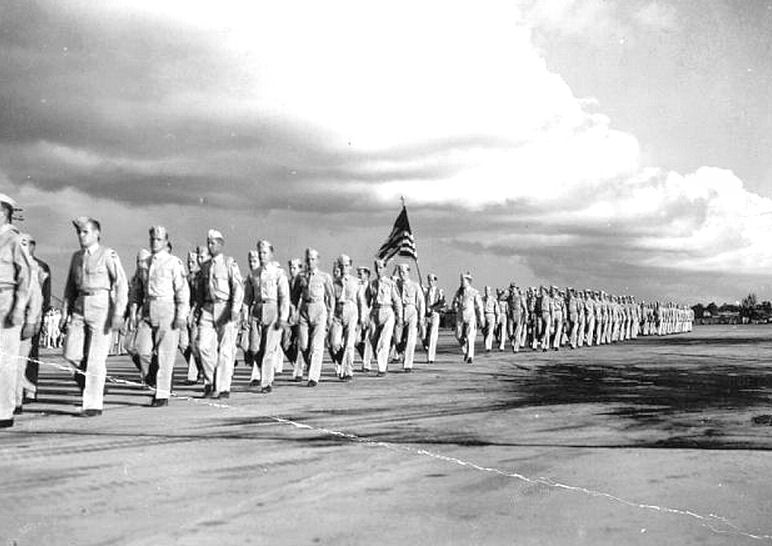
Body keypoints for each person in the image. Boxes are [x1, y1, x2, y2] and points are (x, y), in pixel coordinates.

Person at [61, 216, 128, 417]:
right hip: (80, 305)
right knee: (70, 354)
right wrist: (65, 312)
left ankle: (92, 405)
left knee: (95, 359)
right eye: (79, 232)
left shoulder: (108, 254)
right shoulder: (76, 257)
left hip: (102, 306)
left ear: (97, 233)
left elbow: (121, 284)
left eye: (85, 232)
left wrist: (118, 312)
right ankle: (94, 384)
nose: (81, 236)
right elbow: (69, 287)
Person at [131, 226, 189, 407]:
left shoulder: (173, 263)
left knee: (166, 354)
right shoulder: (145, 263)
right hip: (149, 307)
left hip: (167, 307)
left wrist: (181, 314)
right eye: (152, 239)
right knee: (141, 348)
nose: (154, 242)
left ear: (165, 242)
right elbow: (137, 289)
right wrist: (134, 310)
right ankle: (153, 376)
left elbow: (182, 291)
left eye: (158, 240)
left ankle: (162, 394)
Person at [195, 229, 243, 399]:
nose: (210, 246)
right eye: (208, 242)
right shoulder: (205, 266)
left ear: (221, 244)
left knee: (225, 350)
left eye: (213, 242)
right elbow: (200, 290)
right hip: (208, 308)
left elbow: (238, 287)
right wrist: (197, 309)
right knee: (203, 346)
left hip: (225, 307)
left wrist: (235, 310)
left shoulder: (229, 263)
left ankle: (222, 387)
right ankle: (210, 381)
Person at [242, 241, 289, 393]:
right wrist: (245, 315)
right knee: (255, 348)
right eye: (260, 252)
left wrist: (283, 317)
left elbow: (284, 297)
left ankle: (266, 382)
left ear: (271, 254)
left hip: (272, 308)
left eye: (265, 253)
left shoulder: (278, 273)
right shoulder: (253, 274)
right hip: (257, 309)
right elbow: (247, 298)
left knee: (269, 348)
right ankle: (263, 372)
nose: (262, 255)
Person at [297, 248, 334, 387]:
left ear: (317, 260)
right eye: (308, 259)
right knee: (304, 345)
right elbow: (295, 296)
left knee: (317, 345)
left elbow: (331, 296)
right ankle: (309, 364)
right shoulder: (301, 277)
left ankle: (313, 377)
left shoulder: (324, 277)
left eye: (313, 259)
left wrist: (330, 314)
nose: (310, 262)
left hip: (319, 308)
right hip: (305, 309)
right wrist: (294, 310)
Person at [15, 233, 43, 413]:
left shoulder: (33, 269)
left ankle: (16, 400)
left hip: (23, 321)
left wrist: (33, 321)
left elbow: (37, 298)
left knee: (18, 364)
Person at [20, 233, 50, 402]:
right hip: (16, 316)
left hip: (34, 315)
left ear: (33, 246)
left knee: (31, 354)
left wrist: (40, 317)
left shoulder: (41, 267)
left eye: (28, 243)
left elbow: (44, 295)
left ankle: (31, 388)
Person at [329, 254, 363, 380]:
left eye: (347, 266)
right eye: (342, 266)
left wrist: (362, 317)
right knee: (334, 342)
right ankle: (341, 360)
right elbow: (331, 300)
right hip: (337, 311)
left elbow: (360, 300)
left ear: (351, 266)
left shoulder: (356, 282)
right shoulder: (334, 283)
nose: (344, 268)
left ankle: (348, 371)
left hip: (351, 309)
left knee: (349, 343)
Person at [367, 258, 402, 376]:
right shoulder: (372, 284)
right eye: (377, 267)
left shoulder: (391, 284)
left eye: (381, 267)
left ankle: (381, 369)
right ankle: (383, 359)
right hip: (375, 311)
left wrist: (400, 317)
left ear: (385, 269)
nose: (378, 270)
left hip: (387, 311)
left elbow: (397, 301)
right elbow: (367, 300)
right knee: (373, 340)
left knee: (384, 341)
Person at [394, 263, 425, 372]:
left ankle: (408, 364)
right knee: (397, 338)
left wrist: (421, 318)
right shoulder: (396, 285)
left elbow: (421, 302)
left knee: (411, 339)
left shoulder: (415, 285)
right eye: (400, 272)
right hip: (399, 311)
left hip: (411, 310)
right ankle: (401, 353)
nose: (402, 274)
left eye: (404, 272)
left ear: (408, 272)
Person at [451, 272, 483, 364]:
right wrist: (455, 306)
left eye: (463, 281)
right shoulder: (459, 292)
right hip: (460, 315)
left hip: (471, 315)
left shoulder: (474, 292)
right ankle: (465, 351)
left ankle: (470, 356)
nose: (461, 282)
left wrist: (481, 318)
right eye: (461, 280)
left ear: (468, 282)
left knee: (470, 336)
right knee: (458, 335)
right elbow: (454, 302)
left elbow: (479, 306)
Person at [285, 258, 306, 381]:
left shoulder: (302, 282)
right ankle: (299, 364)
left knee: (299, 344)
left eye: (294, 268)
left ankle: (298, 371)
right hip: (289, 318)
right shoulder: (288, 283)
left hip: (300, 317)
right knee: (286, 343)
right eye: (290, 268)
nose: (292, 270)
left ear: (299, 268)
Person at [423, 273, 444, 363]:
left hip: (435, 314)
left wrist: (433, 308)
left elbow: (442, 303)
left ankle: (430, 358)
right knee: (423, 334)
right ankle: (426, 347)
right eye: (429, 280)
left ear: (435, 281)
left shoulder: (440, 291)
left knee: (433, 335)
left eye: (432, 280)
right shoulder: (426, 291)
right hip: (426, 315)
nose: (430, 282)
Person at [481, 285, 499, 353]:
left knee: (490, 331)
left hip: (491, 314)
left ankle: (488, 347)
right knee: (484, 331)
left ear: (490, 291)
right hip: (484, 315)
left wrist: (497, 319)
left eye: (488, 290)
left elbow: (497, 310)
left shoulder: (493, 300)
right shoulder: (482, 299)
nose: (486, 292)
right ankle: (486, 343)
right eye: (485, 290)